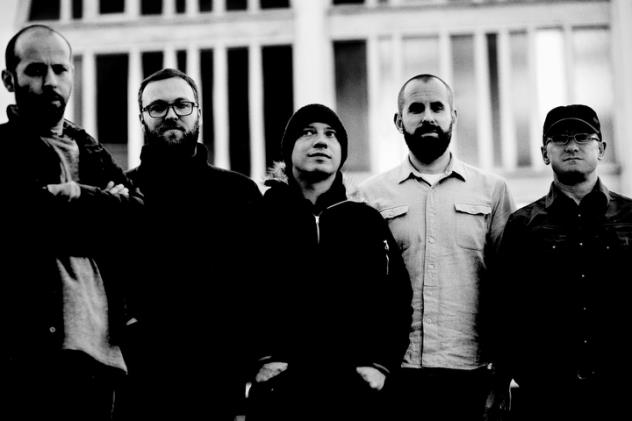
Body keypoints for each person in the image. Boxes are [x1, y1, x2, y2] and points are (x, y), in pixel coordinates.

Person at [0, 24, 142, 421]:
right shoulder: (1, 150)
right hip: (28, 355)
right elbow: (23, 222)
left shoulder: (91, 150)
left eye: (60, 69)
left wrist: (75, 194)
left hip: (103, 354)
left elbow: (136, 219)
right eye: (35, 70)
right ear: (9, 79)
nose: (50, 81)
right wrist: (104, 207)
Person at [353, 74, 515, 420]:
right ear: (399, 121)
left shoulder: (493, 191)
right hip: (394, 374)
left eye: (437, 107)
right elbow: (359, 293)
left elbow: (508, 289)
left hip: (471, 373)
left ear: (452, 116)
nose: (428, 116)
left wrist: (502, 375)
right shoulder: (369, 196)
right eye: (416, 108)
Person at [248, 103, 412, 421]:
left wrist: (380, 364)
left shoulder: (366, 221)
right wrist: (260, 358)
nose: (321, 141)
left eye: (331, 134)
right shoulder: (259, 217)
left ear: (341, 152)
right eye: (308, 132)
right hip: (279, 397)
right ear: (288, 149)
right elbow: (233, 292)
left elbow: (395, 298)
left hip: (355, 398)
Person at [120, 68, 262, 420]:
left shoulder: (240, 193)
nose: (171, 114)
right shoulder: (121, 194)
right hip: (138, 386)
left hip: (218, 386)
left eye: (182, 105)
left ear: (198, 112)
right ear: (141, 117)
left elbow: (261, 286)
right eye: (157, 107)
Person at [496, 104, 632, 421]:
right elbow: (506, 307)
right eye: (560, 138)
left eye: (583, 137)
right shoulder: (522, 224)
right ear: (545, 153)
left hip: (622, 388)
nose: (571, 146)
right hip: (548, 395)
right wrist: (509, 376)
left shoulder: (631, 217)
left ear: (601, 149)